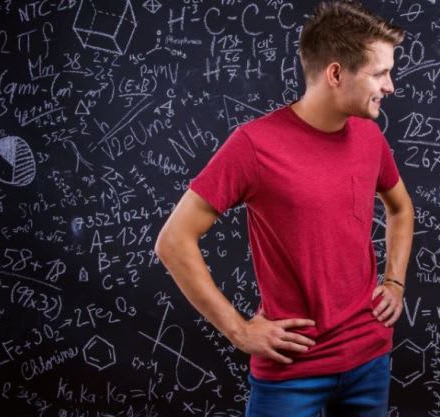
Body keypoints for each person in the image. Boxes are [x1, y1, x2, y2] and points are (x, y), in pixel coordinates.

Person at [154, 2, 413, 416]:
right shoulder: (254, 146)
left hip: (369, 358)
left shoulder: (369, 137)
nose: (390, 86)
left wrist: (395, 282)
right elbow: (173, 240)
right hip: (292, 369)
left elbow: (400, 208)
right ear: (335, 74)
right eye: (380, 73)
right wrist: (239, 331)